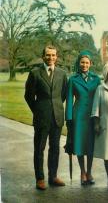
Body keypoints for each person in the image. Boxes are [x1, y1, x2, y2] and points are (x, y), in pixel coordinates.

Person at [24, 45, 67, 190]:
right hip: (41, 117)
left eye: (53, 55)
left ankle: (53, 176)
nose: (51, 58)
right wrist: (38, 110)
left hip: (57, 117)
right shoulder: (35, 73)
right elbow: (28, 96)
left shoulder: (62, 73)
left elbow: (63, 95)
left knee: (55, 148)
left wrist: (55, 107)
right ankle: (40, 178)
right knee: (39, 148)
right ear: (43, 56)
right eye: (48, 55)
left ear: (57, 57)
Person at [65, 50, 101, 185]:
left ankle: (90, 172)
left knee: (91, 144)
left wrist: (100, 116)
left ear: (90, 64)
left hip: (92, 115)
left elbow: (100, 99)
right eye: (82, 62)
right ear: (79, 63)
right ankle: (82, 171)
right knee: (80, 144)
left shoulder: (96, 79)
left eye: (87, 62)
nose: (84, 65)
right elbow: (69, 100)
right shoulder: (73, 79)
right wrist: (68, 118)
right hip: (78, 115)